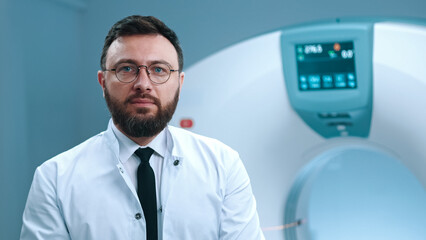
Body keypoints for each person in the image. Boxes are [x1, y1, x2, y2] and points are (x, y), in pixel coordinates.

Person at [20, 15, 264, 240]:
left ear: (179, 83)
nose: (143, 84)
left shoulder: (224, 166)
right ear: (103, 82)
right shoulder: (54, 179)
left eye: (159, 70)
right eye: (127, 68)